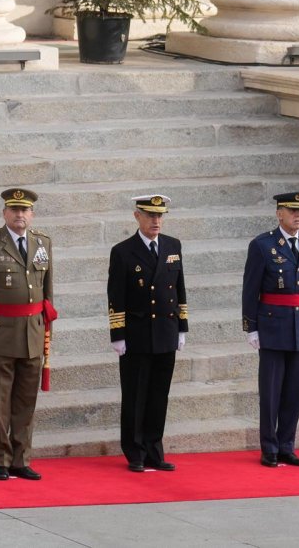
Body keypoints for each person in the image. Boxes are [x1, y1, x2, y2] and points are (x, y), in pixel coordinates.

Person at [0, 188, 54, 481]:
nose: (20, 215)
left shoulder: (43, 243)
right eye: (14, 210)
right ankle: (0, 459)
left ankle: (21, 458)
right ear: (5, 214)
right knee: (0, 402)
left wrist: (46, 330)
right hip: (0, 335)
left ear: (32, 214)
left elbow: (47, 294)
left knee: (25, 402)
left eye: (25, 210)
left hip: (32, 334)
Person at [107, 194, 188, 472]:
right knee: (135, 395)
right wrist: (117, 333)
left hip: (165, 331)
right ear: (137, 217)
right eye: (150, 215)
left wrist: (182, 327)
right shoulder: (123, 251)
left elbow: (179, 290)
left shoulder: (172, 245)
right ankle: (135, 451)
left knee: (158, 395)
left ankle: (155, 449)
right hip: (137, 333)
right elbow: (116, 295)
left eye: (160, 215)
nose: (156, 220)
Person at [242, 192, 299, 467]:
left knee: (295, 391)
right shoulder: (263, 245)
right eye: (291, 211)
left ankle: (287, 444)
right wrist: (251, 328)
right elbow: (250, 289)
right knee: (271, 391)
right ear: (279, 214)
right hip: (273, 326)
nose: (298, 215)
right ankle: (269, 447)